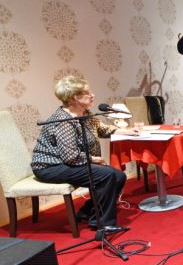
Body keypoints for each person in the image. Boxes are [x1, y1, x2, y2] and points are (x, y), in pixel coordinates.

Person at [31, 76, 139, 234]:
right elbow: (70, 156)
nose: (92, 95)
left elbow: (102, 129)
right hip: (51, 166)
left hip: (67, 162)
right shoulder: (64, 121)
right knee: (108, 175)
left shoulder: (85, 113)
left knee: (119, 176)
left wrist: (126, 131)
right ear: (75, 97)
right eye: (88, 93)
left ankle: (87, 212)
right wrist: (94, 159)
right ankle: (103, 224)